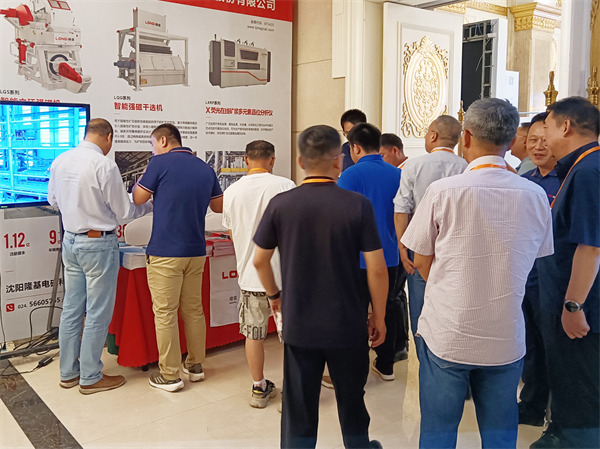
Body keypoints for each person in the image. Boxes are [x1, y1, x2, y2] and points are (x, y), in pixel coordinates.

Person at [402, 98, 554, 449]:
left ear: (466, 137)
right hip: (504, 335)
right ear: (512, 139)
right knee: (500, 432)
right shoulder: (535, 195)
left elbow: (421, 260)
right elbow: (537, 256)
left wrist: (451, 285)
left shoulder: (444, 191)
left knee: (438, 431)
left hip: (449, 332)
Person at [253, 125, 387, 449]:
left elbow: (259, 261)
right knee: (352, 401)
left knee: (299, 406)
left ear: (301, 161)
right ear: (338, 160)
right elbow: (377, 269)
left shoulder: (281, 204)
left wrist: (274, 297)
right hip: (347, 323)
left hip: (300, 323)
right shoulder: (357, 205)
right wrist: (379, 317)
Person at [48, 118, 152, 394]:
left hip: (70, 240)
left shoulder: (61, 160)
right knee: (97, 311)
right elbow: (124, 212)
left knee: (72, 309)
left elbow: (53, 201)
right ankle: (91, 376)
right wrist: (149, 205)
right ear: (108, 137)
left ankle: (68, 373)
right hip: (98, 244)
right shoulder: (104, 165)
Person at [133, 123, 223, 392]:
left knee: (165, 313)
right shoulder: (205, 168)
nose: (153, 150)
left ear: (163, 140)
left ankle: (170, 375)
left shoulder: (158, 164)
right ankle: (195, 366)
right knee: (194, 311)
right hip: (195, 251)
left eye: (152, 145)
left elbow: (138, 198)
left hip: (165, 252)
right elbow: (218, 205)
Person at [532, 97, 600, 449]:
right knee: (568, 375)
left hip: (579, 304)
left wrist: (574, 305)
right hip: (567, 298)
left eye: (547, 126)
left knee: (578, 381)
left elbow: (590, 247)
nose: (542, 136)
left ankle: (575, 440)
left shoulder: (588, 171)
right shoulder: (580, 167)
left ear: (566, 126)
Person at [221, 140, 295, 408]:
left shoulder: (231, 192)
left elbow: (232, 235)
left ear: (245, 159)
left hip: (250, 276)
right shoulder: (286, 186)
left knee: (253, 335)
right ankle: (292, 393)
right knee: (291, 337)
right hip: (283, 277)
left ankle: (258, 387)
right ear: (272, 160)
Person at [393, 115, 467, 348]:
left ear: (433, 136)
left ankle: (423, 355)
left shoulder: (414, 165)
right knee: (451, 301)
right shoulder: (466, 167)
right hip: (455, 245)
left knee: (420, 305)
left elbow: (402, 209)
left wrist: (402, 247)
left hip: (420, 245)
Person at [338, 123, 402, 380]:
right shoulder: (397, 174)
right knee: (386, 309)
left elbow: (341, 220)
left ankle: (356, 371)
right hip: (390, 256)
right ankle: (386, 366)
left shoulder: (350, 175)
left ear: (355, 148)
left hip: (358, 259)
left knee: (355, 313)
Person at [518, 112, 560, 427]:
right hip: (526, 276)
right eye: (532, 140)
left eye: (544, 140)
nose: (538, 146)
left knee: (555, 346)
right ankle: (531, 406)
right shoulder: (524, 182)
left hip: (556, 279)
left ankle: (558, 416)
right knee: (530, 343)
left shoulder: (569, 179)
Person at [379, 132, 410, 360]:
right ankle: (400, 343)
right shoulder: (401, 172)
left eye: (382, 155)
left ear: (395, 150)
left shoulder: (404, 173)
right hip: (399, 243)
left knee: (394, 296)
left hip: (400, 244)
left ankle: (397, 346)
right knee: (397, 295)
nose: (380, 160)